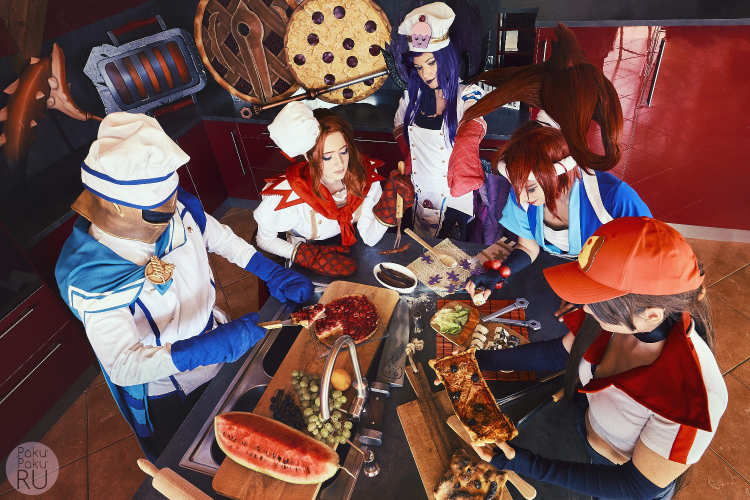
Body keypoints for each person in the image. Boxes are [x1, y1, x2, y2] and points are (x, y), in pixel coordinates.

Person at [55, 113, 313, 461]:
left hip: (217, 337)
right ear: (117, 206)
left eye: (172, 199)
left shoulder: (174, 207)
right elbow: (123, 365)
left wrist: (269, 271)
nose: (172, 212)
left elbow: (220, 239)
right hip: (171, 384)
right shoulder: (93, 274)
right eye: (158, 211)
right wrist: (201, 351)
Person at [463, 217, 728, 500]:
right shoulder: (615, 319)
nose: (585, 308)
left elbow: (635, 486)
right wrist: (480, 361)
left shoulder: (695, 399)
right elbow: (557, 353)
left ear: (651, 316)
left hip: (618, 478)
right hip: (586, 431)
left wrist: (527, 464)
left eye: (596, 301)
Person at [466, 119, 651, 312]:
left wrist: (592, 293)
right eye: (516, 186)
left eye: (530, 188)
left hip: (609, 281)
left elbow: (642, 263)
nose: (521, 198)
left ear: (558, 175)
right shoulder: (524, 192)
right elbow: (527, 247)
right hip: (553, 271)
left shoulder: (615, 198)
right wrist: (500, 273)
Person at [254, 103, 414, 277]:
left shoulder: (365, 178)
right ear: (308, 156)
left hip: (348, 246)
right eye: (327, 157)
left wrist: (388, 210)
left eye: (344, 152)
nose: (339, 163)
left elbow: (369, 239)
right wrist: (307, 256)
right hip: (299, 249)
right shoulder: (289, 196)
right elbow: (264, 239)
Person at [392, 2, 487, 241]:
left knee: (447, 258)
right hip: (419, 194)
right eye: (419, 67)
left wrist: (466, 145)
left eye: (431, 63)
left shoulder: (467, 94)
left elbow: (475, 119)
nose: (425, 74)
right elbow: (399, 124)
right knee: (417, 252)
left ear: (447, 58)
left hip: (453, 197)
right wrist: (409, 155)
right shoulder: (412, 98)